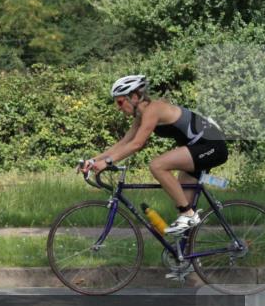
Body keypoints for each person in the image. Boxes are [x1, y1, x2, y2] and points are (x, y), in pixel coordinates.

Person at [82, 75, 228, 239]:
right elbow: (125, 142)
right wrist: (95, 160)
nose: (118, 107)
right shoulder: (141, 115)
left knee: (157, 165)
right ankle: (186, 251)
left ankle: (188, 214)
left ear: (134, 97)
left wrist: (107, 162)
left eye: (120, 102)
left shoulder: (154, 109)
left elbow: (137, 144)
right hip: (198, 148)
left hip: (212, 146)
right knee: (183, 210)